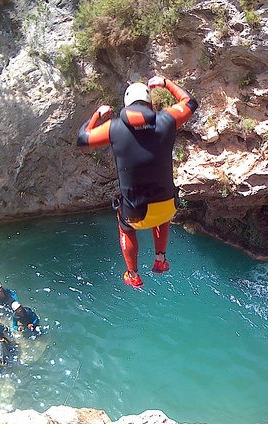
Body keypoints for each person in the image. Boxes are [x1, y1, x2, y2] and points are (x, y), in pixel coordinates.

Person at [77, 75, 198, 288]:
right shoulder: (167, 119)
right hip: (167, 206)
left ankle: (133, 274)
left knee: (125, 227)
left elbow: (83, 138)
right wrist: (165, 82)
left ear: (126, 104)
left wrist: (97, 115)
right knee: (162, 213)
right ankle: (160, 260)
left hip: (135, 215)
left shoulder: (114, 128)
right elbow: (190, 102)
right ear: (150, 102)